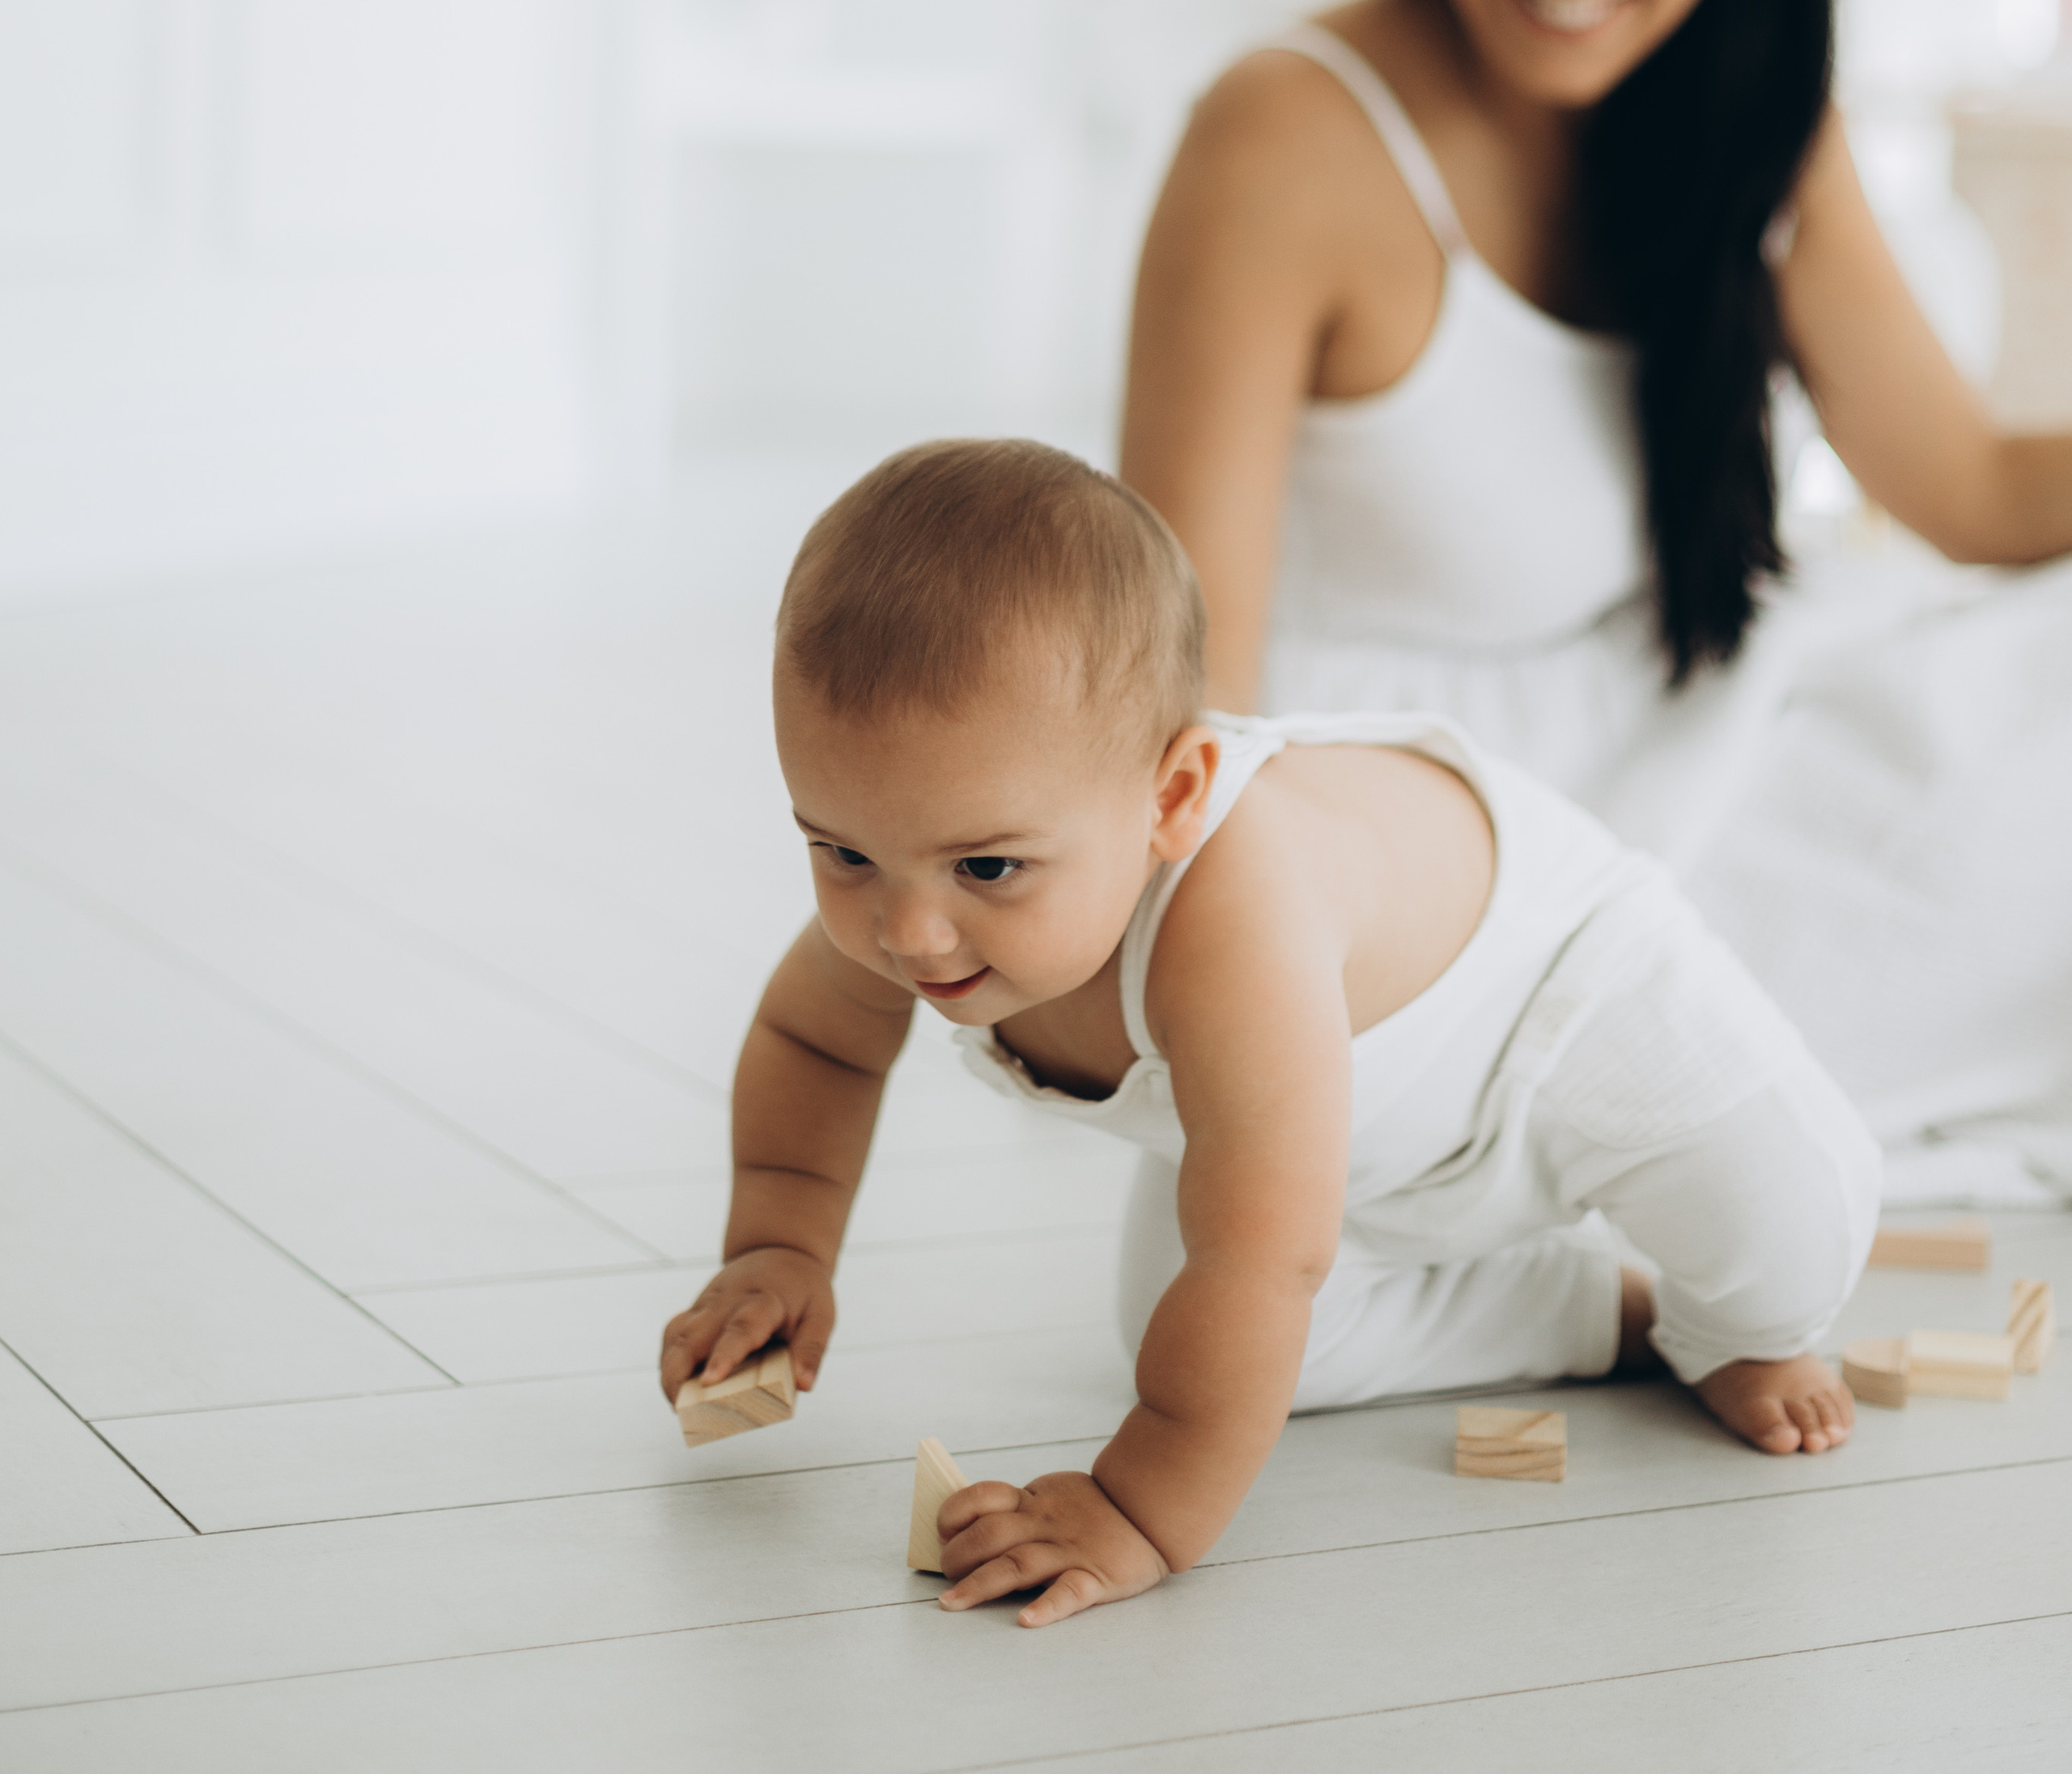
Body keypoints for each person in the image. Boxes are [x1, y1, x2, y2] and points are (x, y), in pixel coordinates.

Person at [1122, 0, 2072, 1202]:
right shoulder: (1280, 137)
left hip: (1715, 757)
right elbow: (1176, 700)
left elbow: (1974, 494)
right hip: (1436, 885)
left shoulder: (1758, 105)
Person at [660, 439, 1879, 1628]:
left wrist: (1140, 1508)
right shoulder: (917, 894)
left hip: (1559, 1002)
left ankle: (1736, 1331)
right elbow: (817, 1046)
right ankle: (1594, 1313)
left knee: (1790, 1230)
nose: (909, 932)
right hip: (1336, 1121)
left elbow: (1259, 1258)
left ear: (1173, 798)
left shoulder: (1237, 917)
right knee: (1211, 1343)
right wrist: (779, 1249)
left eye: (986, 865)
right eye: (841, 851)